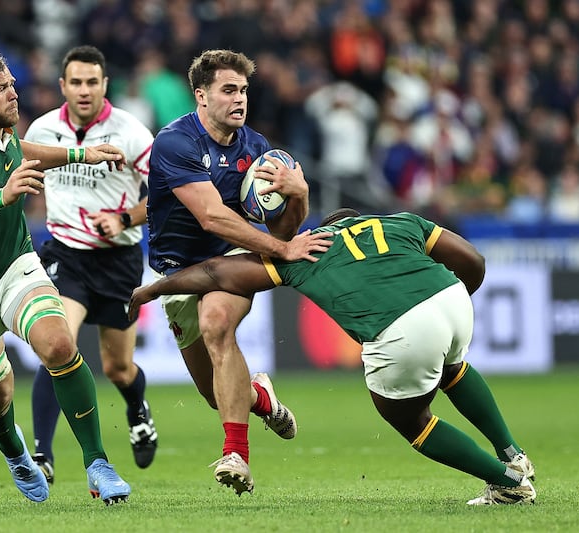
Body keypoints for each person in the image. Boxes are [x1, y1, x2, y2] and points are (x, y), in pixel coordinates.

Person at [130, 208, 537, 505]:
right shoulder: (398, 221)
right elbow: (474, 261)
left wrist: (153, 290)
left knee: (412, 421)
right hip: (451, 299)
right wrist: (449, 302)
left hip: (401, 328)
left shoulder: (310, 250)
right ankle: (514, 454)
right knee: (451, 368)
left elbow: (219, 272)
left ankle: (507, 482)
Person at [0, 49, 132, 505]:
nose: (14, 94)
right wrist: (2, 194)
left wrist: (82, 153)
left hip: (16, 266)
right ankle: (14, 450)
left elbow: (22, 149)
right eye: (2, 89)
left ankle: (97, 463)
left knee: (59, 343)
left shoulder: (0, 130)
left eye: (12, 84)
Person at [146, 49, 330, 495]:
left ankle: (236, 456)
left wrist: (299, 196)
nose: (239, 99)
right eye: (229, 90)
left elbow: (279, 227)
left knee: (216, 323)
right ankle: (260, 398)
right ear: (201, 96)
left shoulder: (258, 149)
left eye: (244, 90)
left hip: (230, 259)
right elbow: (211, 216)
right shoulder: (175, 143)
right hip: (179, 271)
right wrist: (283, 246)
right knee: (218, 395)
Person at [23, 45, 157, 481]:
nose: (84, 90)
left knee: (118, 367)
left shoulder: (131, 132)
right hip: (66, 256)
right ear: (63, 86)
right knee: (57, 346)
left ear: (104, 85)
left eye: (92, 82)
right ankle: (42, 457)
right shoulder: (42, 130)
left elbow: (171, 192)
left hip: (118, 260)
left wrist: (124, 219)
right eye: (75, 82)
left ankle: (137, 409)